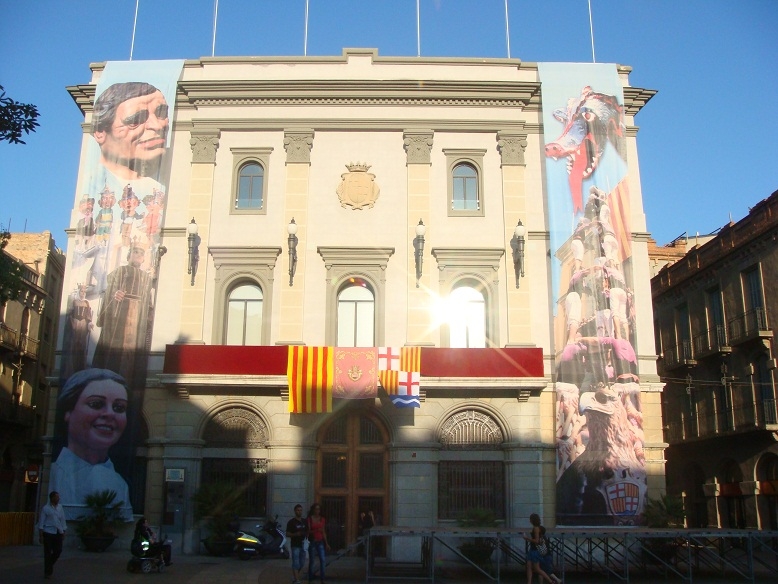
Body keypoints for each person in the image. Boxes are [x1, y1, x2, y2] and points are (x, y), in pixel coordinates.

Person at [49, 368, 133, 520]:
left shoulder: (121, 485)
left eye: (119, 407)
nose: (110, 414)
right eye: (96, 404)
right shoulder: (51, 475)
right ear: (68, 411)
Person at [92, 244, 152, 386]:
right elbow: (111, 289)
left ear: (143, 259)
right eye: (135, 253)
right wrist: (115, 294)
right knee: (116, 346)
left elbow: (148, 300)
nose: (137, 256)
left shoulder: (146, 277)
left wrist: (149, 315)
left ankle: (130, 374)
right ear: (129, 256)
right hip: (120, 312)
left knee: (133, 347)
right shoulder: (120, 271)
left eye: (140, 254)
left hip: (138, 314)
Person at [91, 81, 170, 181]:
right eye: (136, 120)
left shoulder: (162, 186)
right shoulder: (92, 187)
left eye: (162, 114)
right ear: (100, 133)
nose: (157, 126)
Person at [38, 491, 67, 579]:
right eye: (56, 497)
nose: (58, 499)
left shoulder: (60, 507)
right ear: (52, 498)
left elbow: (62, 519)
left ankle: (49, 564)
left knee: (58, 550)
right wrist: (41, 535)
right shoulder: (46, 508)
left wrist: (64, 531)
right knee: (47, 552)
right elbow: (41, 522)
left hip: (58, 532)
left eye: (58, 497)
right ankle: (48, 572)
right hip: (48, 532)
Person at [523, 513, 558, 584]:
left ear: (532, 520)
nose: (529, 520)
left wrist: (527, 538)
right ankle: (529, 582)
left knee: (537, 569)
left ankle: (550, 581)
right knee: (528, 566)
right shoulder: (538, 528)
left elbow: (537, 541)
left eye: (530, 519)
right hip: (532, 549)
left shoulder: (536, 528)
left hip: (535, 551)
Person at [307, 503, 330, 584]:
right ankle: (310, 577)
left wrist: (326, 543)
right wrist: (316, 530)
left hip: (320, 541)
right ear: (313, 510)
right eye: (316, 509)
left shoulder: (322, 519)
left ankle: (322, 578)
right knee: (312, 561)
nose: (317, 511)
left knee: (323, 560)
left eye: (319, 509)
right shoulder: (310, 519)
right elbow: (308, 531)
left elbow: (323, 531)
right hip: (313, 541)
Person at [286, 504, 307, 584]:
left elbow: (307, 531)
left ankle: (295, 576)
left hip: (303, 544)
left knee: (302, 562)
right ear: (295, 511)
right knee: (296, 562)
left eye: (301, 510)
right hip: (295, 545)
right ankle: (297, 580)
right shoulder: (291, 522)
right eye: (298, 510)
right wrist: (295, 534)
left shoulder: (304, 521)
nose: (299, 512)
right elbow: (287, 534)